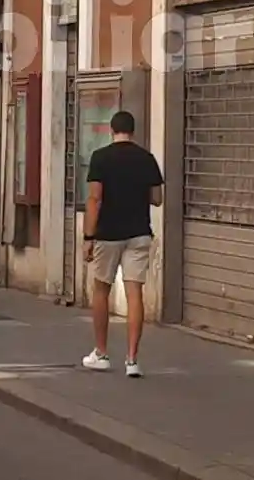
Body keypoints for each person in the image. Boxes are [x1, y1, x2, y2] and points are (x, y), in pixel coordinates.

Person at [81, 110, 164, 378]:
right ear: (133, 131)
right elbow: (157, 198)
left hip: (107, 233)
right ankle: (132, 360)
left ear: (111, 130)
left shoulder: (101, 158)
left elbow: (95, 199)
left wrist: (88, 237)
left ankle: (101, 353)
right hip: (139, 232)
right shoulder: (146, 158)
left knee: (101, 290)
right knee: (134, 293)